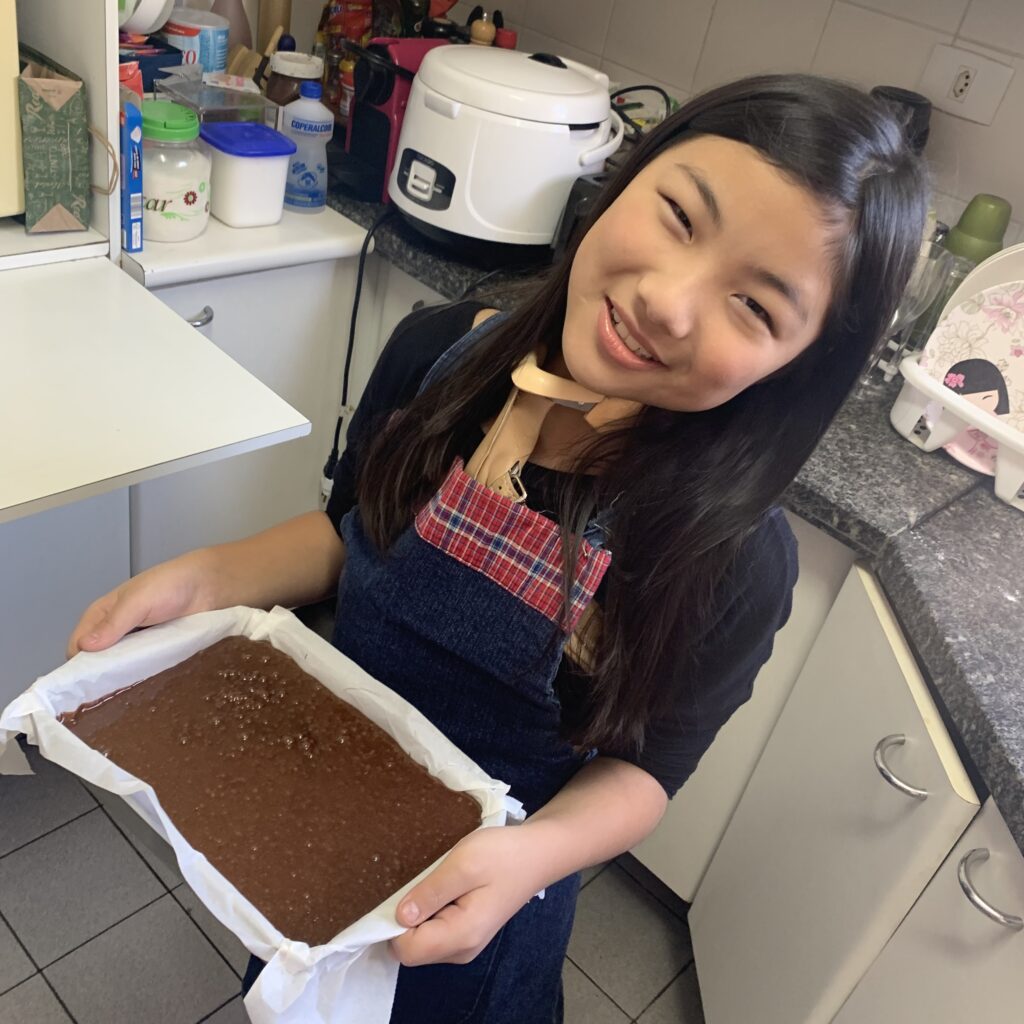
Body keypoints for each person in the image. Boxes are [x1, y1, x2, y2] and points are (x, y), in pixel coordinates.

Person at [68, 74, 927, 1023]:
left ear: (800, 366)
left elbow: (649, 773)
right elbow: (349, 529)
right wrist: (210, 575)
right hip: (313, 801)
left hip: (490, 889)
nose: (671, 304)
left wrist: (530, 860)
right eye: (680, 216)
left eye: (757, 307)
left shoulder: (729, 559)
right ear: (621, 181)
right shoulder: (441, 357)